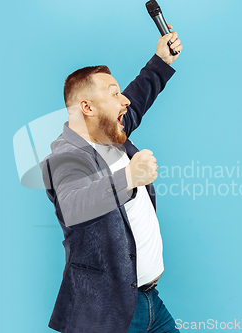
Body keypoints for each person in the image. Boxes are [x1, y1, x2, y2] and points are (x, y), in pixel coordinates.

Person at [40, 24, 183, 333]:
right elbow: (73, 206)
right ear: (87, 107)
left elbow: (138, 97)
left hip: (150, 302)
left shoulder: (111, 134)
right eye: (114, 93)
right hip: (105, 315)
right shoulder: (64, 158)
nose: (125, 100)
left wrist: (161, 61)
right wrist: (129, 176)